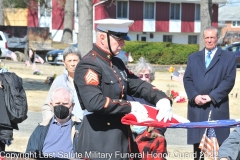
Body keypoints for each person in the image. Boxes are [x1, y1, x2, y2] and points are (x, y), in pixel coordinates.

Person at [74, 18, 172, 160]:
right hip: (99, 142)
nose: (123, 43)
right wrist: (130, 106)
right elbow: (94, 102)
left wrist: (161, 98)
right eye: (118, 39)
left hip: (122, 140)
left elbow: (138, 85)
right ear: (102, 37)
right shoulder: (89, 64)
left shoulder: (117, 63)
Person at [183, 26, 236, 160]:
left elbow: (229, 81)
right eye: (207, 37)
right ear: (203, 39)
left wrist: (211, 97)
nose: (209, 40)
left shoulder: (228, 57)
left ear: (217, 39)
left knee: (219, 149)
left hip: (217, 107)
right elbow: (187, 79)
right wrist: (194, 96)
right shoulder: (193, 58)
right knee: (198, 150)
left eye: (212, 37)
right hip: (197, 108)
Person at [127, 57, 167, 159]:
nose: (144, 79)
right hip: (132, 136)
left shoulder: (158, 95)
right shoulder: (128, 96)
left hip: (152, 137)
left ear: (151, 77)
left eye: (147, 76)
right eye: (140, 76)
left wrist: (156, 132)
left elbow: (163, 118)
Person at [26, 86, 81, 159]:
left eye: (65, 104)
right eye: (57, 103)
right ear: (51, 105)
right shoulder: (41, 128)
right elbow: (30, 154)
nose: (61, 106)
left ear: (72, 105)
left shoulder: (81, 127)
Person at [42, 46, 84, 121]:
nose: (72, 64)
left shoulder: (87, 80)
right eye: (69, 61)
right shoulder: (59, 81)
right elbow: (47, 105)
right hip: (62, 125)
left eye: (75, 60)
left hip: (83, 126)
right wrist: (50, 121)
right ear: (64, 62)